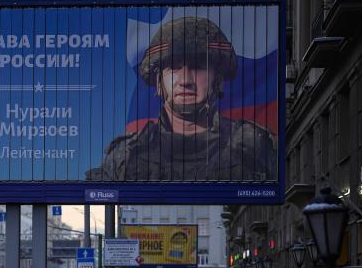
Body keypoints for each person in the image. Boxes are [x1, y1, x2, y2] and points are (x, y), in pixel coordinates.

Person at [88, 16, 276, 182]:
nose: (185, 80)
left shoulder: (252, 146)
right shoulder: (125, 155)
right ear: (159, 83)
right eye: (173, 68)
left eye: (198, 67)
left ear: (218, 80)